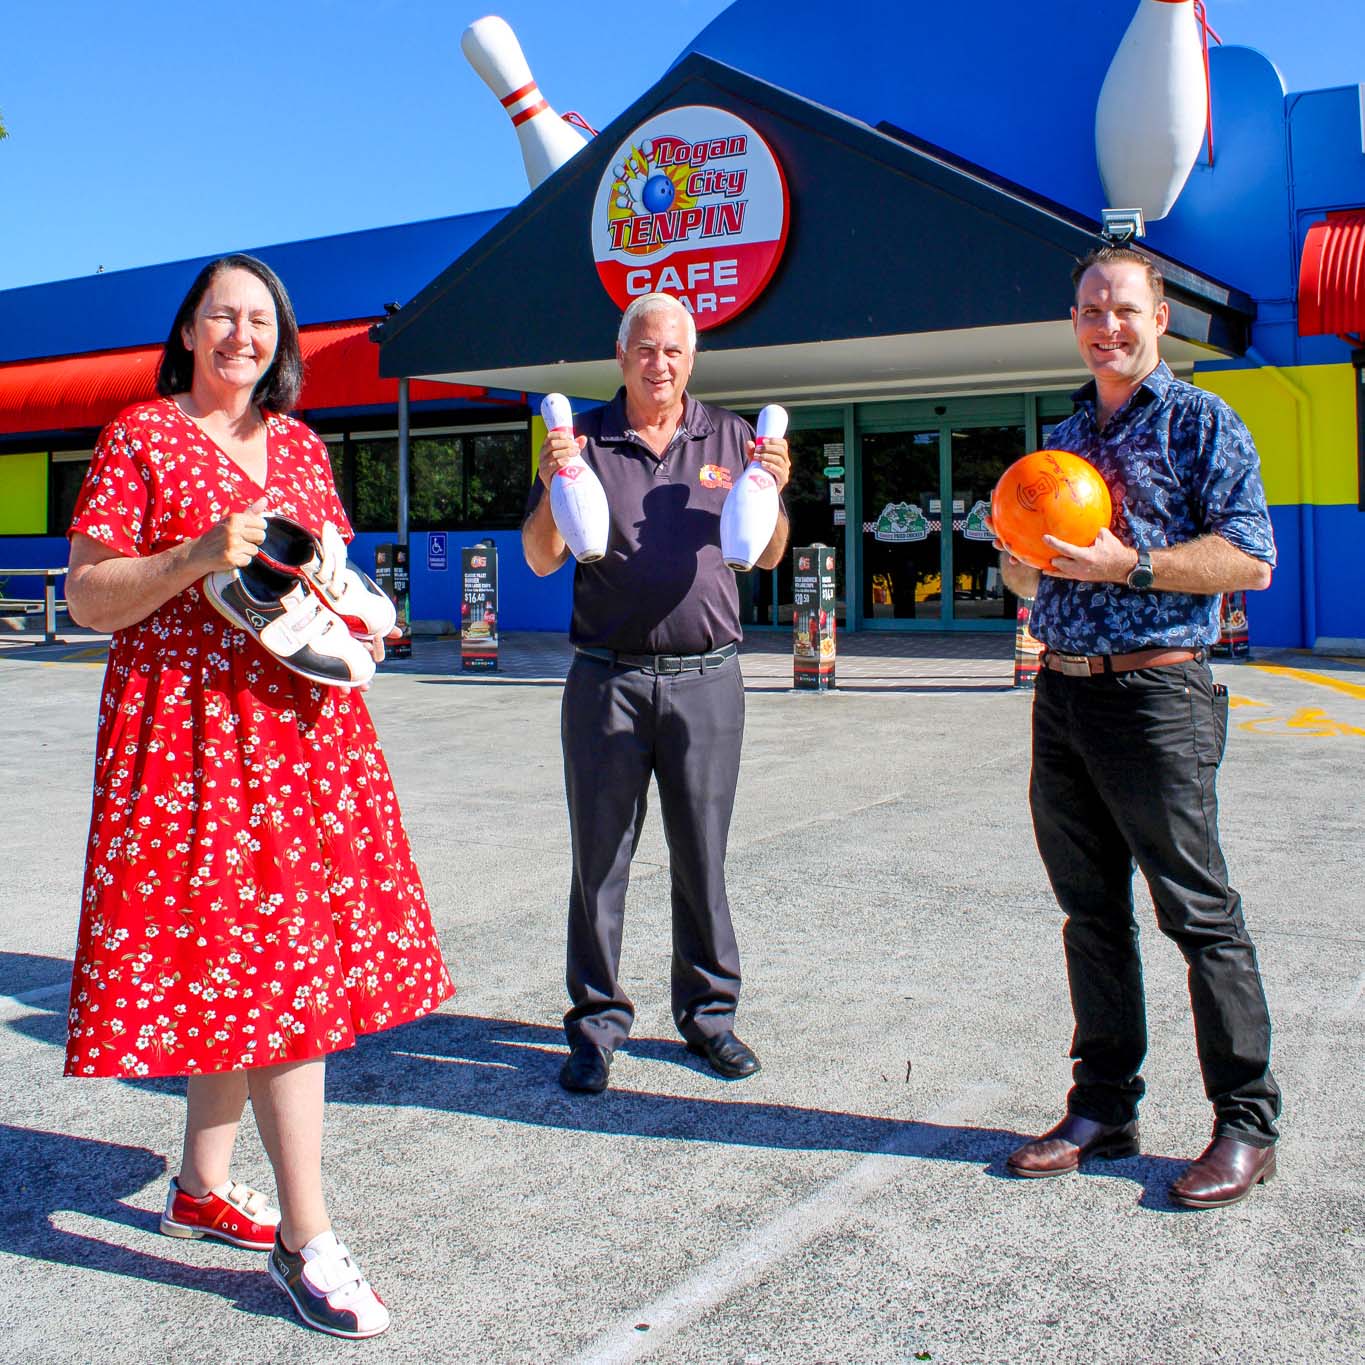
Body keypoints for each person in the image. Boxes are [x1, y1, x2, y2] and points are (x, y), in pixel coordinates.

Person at [63, 254, 454, 1336]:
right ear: (188, 330)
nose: (244, 334)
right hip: (186, 738)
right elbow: (92, 595)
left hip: (305, 738)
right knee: (270, 972)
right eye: (223, 316)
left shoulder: (301, 448)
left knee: (258, 963)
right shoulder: (139, 436)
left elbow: (330, 580)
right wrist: (196, 553)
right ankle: (304, 1238)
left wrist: (353, 595)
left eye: (262, 320)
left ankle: (200, 1182)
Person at [999, 245, 1281, 1208]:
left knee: (1196, 912)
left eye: (1122, 308)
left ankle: (1244, 1122)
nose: (1104, 324)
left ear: (1160, 317)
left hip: (1158, 697)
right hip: (1063, 692)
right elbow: (1031, 577)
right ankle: (1102, 1106)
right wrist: (1016, 556)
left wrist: (1133, 565)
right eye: (1088, 309)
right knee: (1089, 912)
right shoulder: (1064, 435)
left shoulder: (1204, 421)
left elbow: (1248, 560)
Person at [522, 292, 790, 1094]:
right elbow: (539, 556)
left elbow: (768, 555)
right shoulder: (582, 439)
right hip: (607, 679)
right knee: (599, 860)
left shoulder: (733, 435)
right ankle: (595, 1025)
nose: (659, 363)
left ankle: (709, 1016)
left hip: (707, 679)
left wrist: (774, 488)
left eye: (674, 349)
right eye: (645, 348)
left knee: (701, 857)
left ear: (692, 358)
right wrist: (548, 481)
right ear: (621, 355)